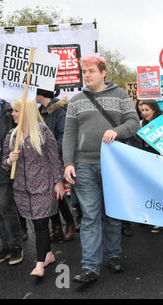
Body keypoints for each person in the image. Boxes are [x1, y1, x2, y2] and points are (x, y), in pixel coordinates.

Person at [62, 55, 141, 283]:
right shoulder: (75, 100)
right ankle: (90, 267)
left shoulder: (119, 95)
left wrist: (117, 130)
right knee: (90, 217)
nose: (86, 75)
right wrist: (68, 163)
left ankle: (114, 255)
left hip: (113, 165)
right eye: (84, 71)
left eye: (91, 71)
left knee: (112, 214)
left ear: (103, 72)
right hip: (84, 165)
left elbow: (134, 123)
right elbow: (69, 135)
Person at [3, 98, 64, 277]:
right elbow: (4, 164)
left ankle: (39, 264)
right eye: (13, 111)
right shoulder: (11, 136)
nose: (12, 114)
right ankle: (48, 255)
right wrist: (9, 160)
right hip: (22, 190)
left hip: (43, 186)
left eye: (16, 110)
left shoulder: (43, 132)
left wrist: (58, 181)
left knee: (40, 223)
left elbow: (54, 158)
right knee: (36, 223)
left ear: (26, 112)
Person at [0, 78, 24, 266]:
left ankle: (16, 246)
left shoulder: (7, 111)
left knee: (5, 208)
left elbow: (16, 134)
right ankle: (5, 246)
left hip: (2, 164)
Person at [36, 88, 76, 242]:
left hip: (55, 158)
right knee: (49, 195)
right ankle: (57, 227)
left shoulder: (59, 111)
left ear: (41, 94)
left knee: (57, 194)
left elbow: (64, 135)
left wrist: (50, 151)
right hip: (43, 159)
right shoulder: (39, 112)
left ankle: (70, 223)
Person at [139, 99, 163, 237]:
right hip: (152, 161)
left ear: (154, 110)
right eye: (142, 110)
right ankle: (159, 219)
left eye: (147, 110)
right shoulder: (142, 124)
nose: (144, 113)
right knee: (156, 191)